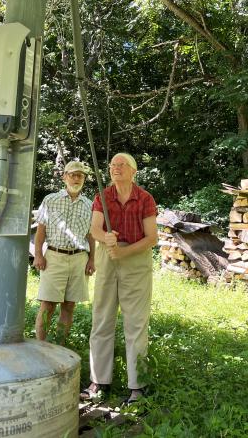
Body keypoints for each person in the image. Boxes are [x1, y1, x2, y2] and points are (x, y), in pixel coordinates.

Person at [82, 153, 158, 405]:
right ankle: (98, 381)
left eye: (121, 165)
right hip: (107, 257)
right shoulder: (102, 197)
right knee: (102, 317)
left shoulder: (145, 198)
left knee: (136, 322)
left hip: (136, 258)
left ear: (133, 171)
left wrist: (124, 250)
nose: (115, 168)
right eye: (112, 165)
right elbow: (94, 229)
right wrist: (106, 238)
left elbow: (151, 238)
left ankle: (138, 387)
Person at [33, 160, 96, 343]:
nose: (76, 179)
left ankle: (60, 348)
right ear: (64, 177)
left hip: (79, 259)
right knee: (48, 305)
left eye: (80, 175)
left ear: (84, 179)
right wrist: (38, 254)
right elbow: (40, 231)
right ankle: (41, 347)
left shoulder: (89, 205)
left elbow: (91, 235)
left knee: (69, 306)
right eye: (72, 174)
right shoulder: (50, 200)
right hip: (54, 257)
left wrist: (93, 260)